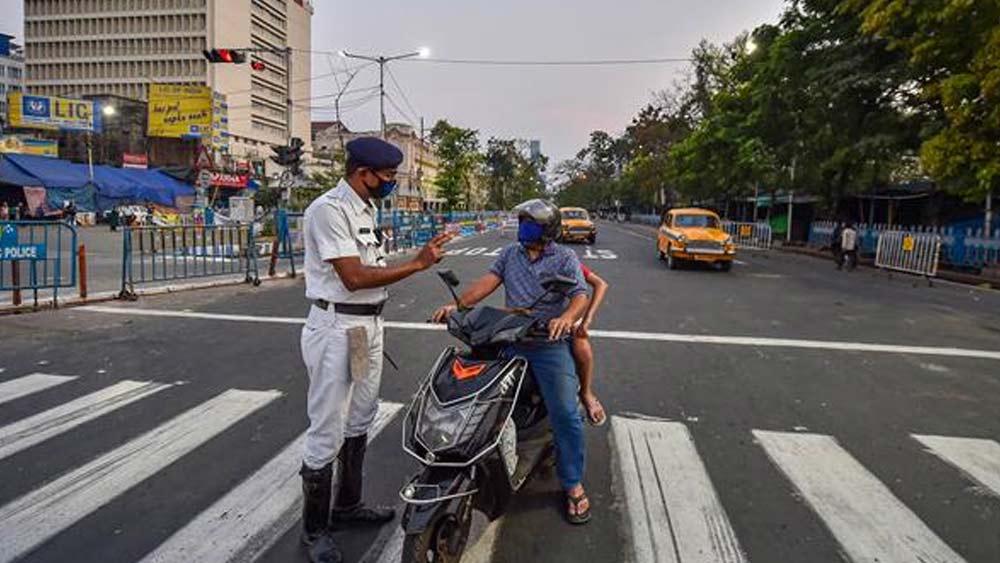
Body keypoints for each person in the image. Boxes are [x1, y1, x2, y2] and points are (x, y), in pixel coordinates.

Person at [298, 136, 455, 563]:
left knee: (361, 416)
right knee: (327, 426)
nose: (389, 184)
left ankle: (347, 506)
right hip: (337, 326)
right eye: (385, 177)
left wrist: (424, 254)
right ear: (361, 173)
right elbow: (352, 276)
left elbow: (375, 267)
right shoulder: (329, 210)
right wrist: (419, 264)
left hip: (366, 328)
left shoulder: (364, 208)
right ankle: (314, 530)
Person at [432, 199, 593, 525]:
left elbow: (579, 294)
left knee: (565, 413)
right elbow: (487, 284)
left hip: (547, 344)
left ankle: (573, 482)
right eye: (521, 222)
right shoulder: (510, 255)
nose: (522, 228)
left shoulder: (564, 257)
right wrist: (457, 307)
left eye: (529, 224)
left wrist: (565, 318)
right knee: (480, 397)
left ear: (546, 230)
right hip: (508, 339)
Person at [574, 265, 608, 426]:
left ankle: (586, 392)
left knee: (580, 343)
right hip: (528, 317)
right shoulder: (514, 257)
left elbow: (600, 284)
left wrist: (587, 319)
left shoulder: (564, 259)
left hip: (567, 318)